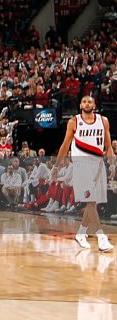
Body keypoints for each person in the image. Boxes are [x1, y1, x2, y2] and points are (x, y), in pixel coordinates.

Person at [57, 95, 113, 251]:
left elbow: (108, 146)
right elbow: (65, 145)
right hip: (81, 165)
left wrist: (112, 164)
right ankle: (101, 237)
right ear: (80, 105)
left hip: (98, 165)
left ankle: (81, 233)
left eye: (90, 101)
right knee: (90, 201)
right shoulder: (74, 122)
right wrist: (56, 167)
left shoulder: (104, 121)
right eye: (84, 101)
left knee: (93, 203)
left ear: (94, 105)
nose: (87, 104)